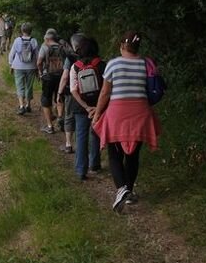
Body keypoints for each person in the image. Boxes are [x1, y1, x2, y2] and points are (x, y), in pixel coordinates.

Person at [92, 30, 161, 213]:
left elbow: (105, 93)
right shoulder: (145, 64)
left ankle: (122, 188)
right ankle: (128, 192)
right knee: (133, 156)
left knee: (115, 154)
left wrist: (97, 114)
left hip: (118, 113)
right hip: (141, 112)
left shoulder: (114, 64)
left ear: (122, 45)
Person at [70, 36, 103, 180]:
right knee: (96, 134)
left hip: (80, 107)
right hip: (98, 106)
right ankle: (94, 164)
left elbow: (73, 90)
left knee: (81, 136)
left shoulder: (75, 66)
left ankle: (81, 170)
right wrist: (96, 107)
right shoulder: (102, 65)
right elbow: (106, 89)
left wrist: (85, 106)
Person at [56, 33, 84, 153]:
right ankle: (82, 145)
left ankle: (68, 144)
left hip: (72, 91)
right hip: (89, 92)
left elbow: (65, 76)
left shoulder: (71, 58)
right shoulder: (92, 56)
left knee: (69, 116)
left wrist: (59, 92)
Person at [36, 28, 66, 134]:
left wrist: (40, 73)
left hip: (48, 77)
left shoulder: (45, 47)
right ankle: (60, 117)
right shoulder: (62, 47)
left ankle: (50, 126)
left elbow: (39, 62)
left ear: (47, 38)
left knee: (46, 100)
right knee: (59, 97)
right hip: (61, 76)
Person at [8, 22, 38, 115]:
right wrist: (38, 67)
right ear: (31, 31)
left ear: (22, 30)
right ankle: (28, 105)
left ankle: (21, 106)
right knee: (29, 86)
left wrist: (11, 64)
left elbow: (11, 54)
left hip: (18, 66)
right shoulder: (34, 41)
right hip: (31, 67)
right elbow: (38, 55)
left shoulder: (17, 40)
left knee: (19, 85)